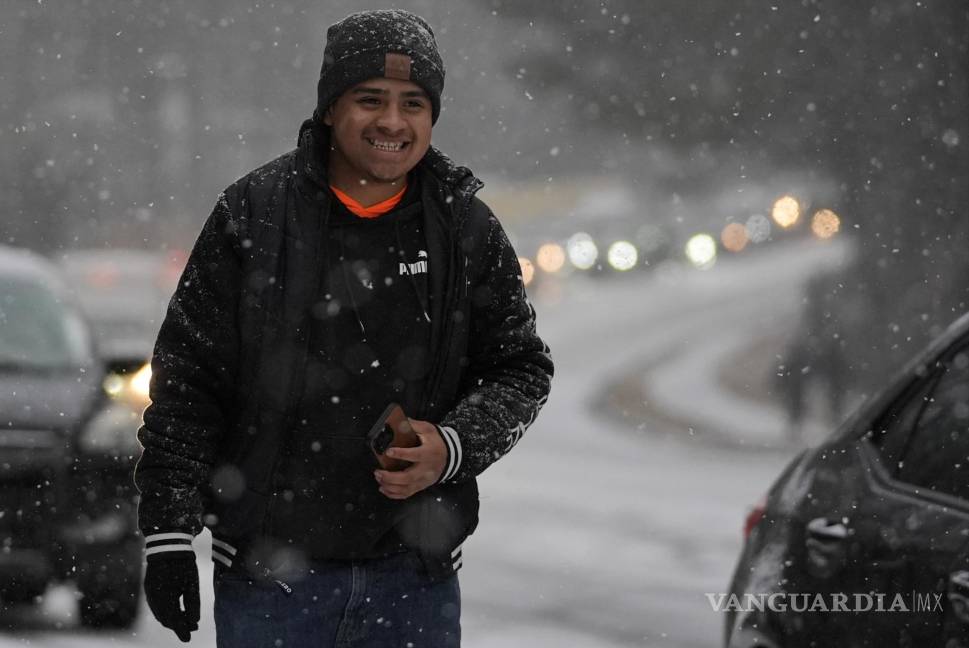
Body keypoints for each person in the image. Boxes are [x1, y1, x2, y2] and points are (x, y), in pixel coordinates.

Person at [134, 9, 553, 647]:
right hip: (268, 580)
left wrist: (453, 446)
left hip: (417, 578)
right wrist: (168, 534)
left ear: (432, 117)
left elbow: (521, 368)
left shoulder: (464, 227)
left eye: (413, 103)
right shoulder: (253, 214)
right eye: (370, 100)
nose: (392, 122)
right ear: (331, 108)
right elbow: (190, 379)